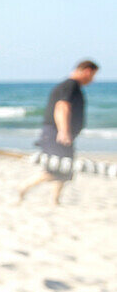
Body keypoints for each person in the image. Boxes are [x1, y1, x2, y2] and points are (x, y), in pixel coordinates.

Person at [18, 60, 99, 204]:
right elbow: (62, 106)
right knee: (56, 168)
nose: (93, 79)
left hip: (58, 132)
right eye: (93, 75)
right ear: (87, 71)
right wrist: (63, 131)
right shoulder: (71, 85)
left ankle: (55, 200)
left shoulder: (72, 85)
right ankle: (24, 186)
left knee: (65, 169)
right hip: (56, 133)